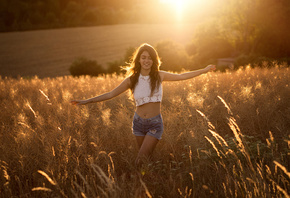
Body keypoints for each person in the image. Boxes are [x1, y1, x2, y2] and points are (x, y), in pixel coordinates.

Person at [71, 43, 216, 166]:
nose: (147, 60)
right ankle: (148, 181)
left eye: (150, 58)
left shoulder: (159, 76)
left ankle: (141, 182)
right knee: (146, 160)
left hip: (154, 124)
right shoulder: (131, 80)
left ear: (154, 60)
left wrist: (204, 70)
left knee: (139, 160)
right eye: (143, 57)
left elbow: (182, 76)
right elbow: (110, 94)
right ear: (139, 60)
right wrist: (86, 101)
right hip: (138, 123)